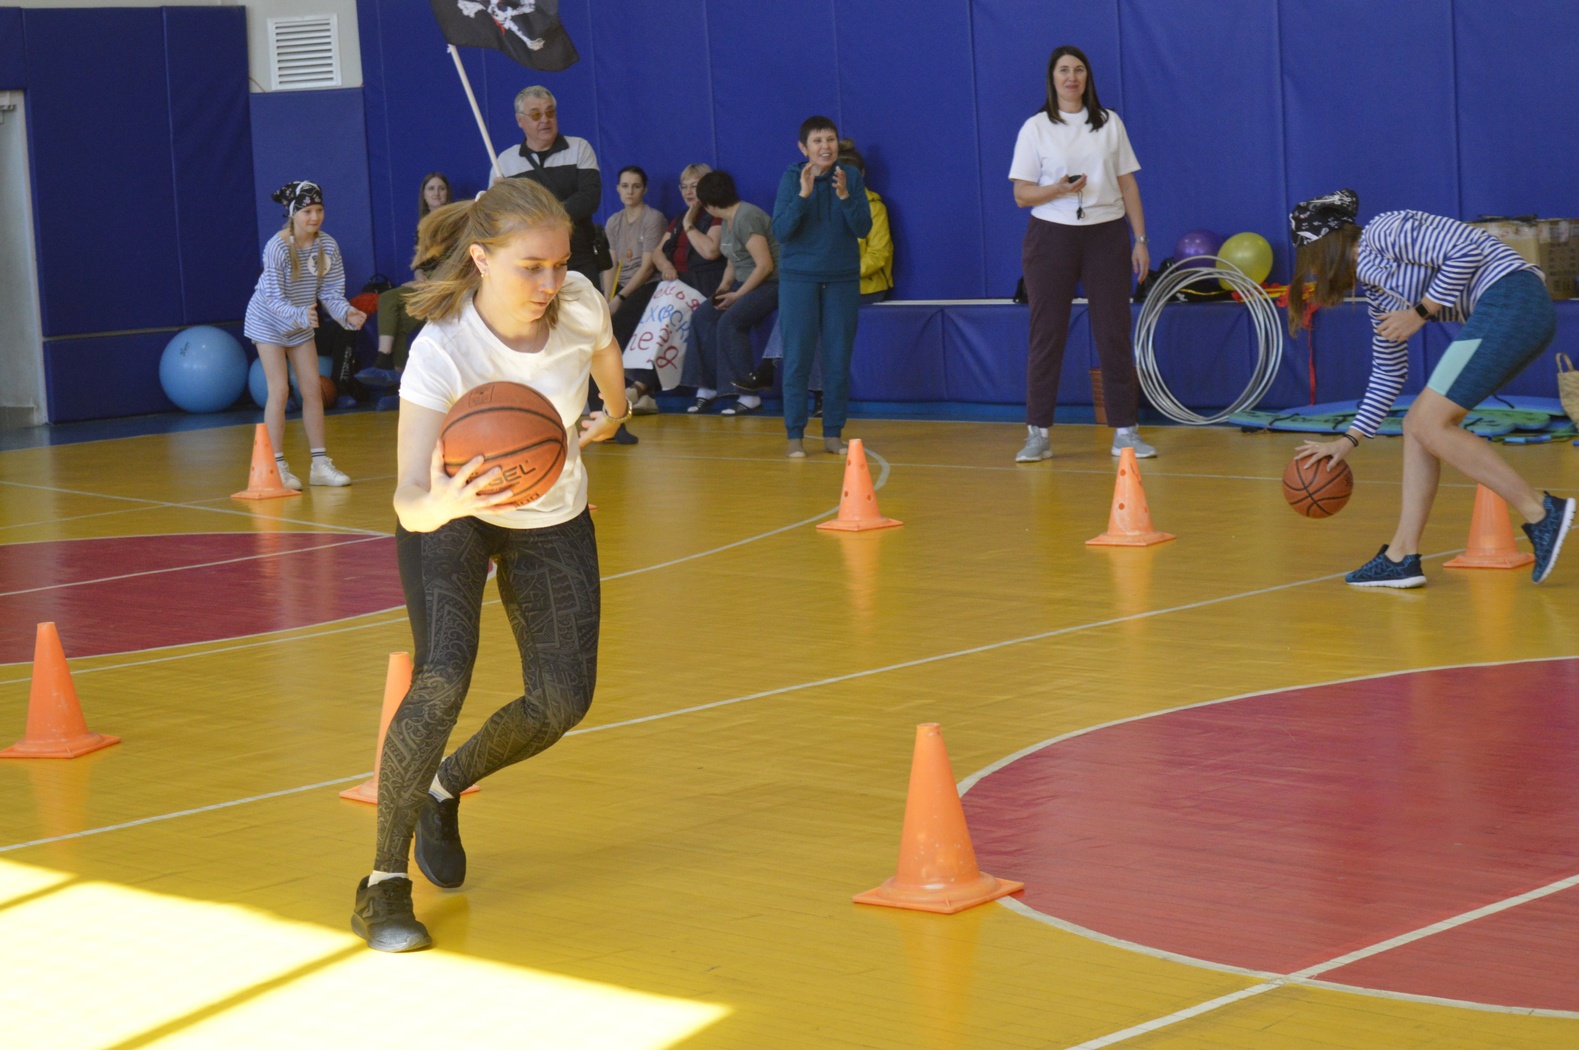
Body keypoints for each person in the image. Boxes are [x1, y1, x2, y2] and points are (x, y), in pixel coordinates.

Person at [350, 177, 631, 953]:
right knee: (442, 676)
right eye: (529, 267)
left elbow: (604, 354)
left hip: (551, 510)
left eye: (559, 264)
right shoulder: (442, 350)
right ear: (480, 258)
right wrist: (439, 505)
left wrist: (617, 407)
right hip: (453, 514)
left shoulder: (576, 301)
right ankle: (382, 885)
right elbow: (408, 493)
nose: (550, 283)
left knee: (561, 702)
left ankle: (445, 787)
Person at [1288, 190, 1575, 587]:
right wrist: (1348, 439)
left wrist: (1420, 312)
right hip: (1505, 312)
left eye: (1310, 263)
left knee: (1427, 421)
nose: (1313, 274)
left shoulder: (1383, 232)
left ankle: (1541, 511)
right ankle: (1401, 556)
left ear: (1324, 248)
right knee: (1417, 426)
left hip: (1513, 298)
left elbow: (1467, 250)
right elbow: (1388, 373)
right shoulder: (1377, 294)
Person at [1009, 44, 1152, 463]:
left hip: (1106, 236)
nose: (1072, 77)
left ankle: (1126, 430)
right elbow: (1021, 194)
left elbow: (1128, 185)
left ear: (1087, 78)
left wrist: (1140, 240)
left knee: (1113, 333)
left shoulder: (1110, 124)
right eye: (1064, 71)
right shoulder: (1035, 128)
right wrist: (1058, 188)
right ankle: (1038, 433)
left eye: (1079, 70)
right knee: (1047, 334)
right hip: (1051, 237)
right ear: (1052, 79)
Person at [242, 180, 365, 488]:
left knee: (312, 389)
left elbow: (331, 291)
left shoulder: (327, 246)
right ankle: (277, 466)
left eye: (319, 210)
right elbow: (273, 298)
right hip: (269, 321)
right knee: (280, 390)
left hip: (300, 323)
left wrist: (346, 312)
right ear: (293, 214)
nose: (315, 217)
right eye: (308, 211)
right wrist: (300, 314)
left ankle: (320, 465)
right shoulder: (277, 247)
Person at [772, 116, 872, 458]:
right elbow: (781, 232)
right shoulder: (791, 177)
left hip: (842, 277)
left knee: (838, 359)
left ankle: (833, 433)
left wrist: (845, 195)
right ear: (804, 148)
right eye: (817, 141)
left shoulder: (852, 176)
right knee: (798, 357)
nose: (825, 146)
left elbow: (862, 228)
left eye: (830, 139)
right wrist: (803, 195)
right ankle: (794, 436)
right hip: (799, 278)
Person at [626, 164, 726, 414]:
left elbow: (710, 251)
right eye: (685, 186)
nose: (689, 191)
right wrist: (666, 265)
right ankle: (640, 389)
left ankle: (640, 387)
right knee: (646, 319)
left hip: (704, 284)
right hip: (675, 284)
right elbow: (659, 252)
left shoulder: (716, 215)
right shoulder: (678, 218)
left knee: (670, 325)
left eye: (696, 186)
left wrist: (691, 224)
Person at [680, 171, 779, 418]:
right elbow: (733, 260)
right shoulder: (727, 220)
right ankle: (708, 386)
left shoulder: (747, 217)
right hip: (745, 283)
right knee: (703, 315)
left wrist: (737, 296)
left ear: (709, 204)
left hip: (772, 283)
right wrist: (724, 287)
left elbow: (765, 266)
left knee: (730, 322)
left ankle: (747, 393)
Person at [358, 175, 460, 398]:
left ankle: (383, 358)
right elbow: (421, 263)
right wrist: (420, 275)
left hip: (447, 284)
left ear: (447, 193)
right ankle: (401, 388)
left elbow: (458, 262)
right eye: (431, 188)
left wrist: (431, 282)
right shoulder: (422, 225)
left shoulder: (455, 222)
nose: (436, 193)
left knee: (387, 298)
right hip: (429, 281)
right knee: (401, 323)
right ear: (424, 195)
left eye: (441, 188)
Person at [491, 86, 602, 288]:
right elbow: (496, 216)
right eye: (535, 114)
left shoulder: (579, 148)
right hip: (529, 262)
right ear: (519, 120)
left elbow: (590, 198)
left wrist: (540, 220)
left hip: (577, 254)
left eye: (550, 112)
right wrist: (499, 199)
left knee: (586, 318)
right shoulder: (504, 162)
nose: (545, 119)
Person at [603, 165, 667, 349]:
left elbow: (647, 268)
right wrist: (607, 297)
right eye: (625, 186)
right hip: (619, 284)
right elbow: (610, 264)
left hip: (645, 284)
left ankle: (624, 376)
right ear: (617, 189)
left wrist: (618, 300)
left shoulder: (653, 218)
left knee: (618, 327)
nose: (629, 191)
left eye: (636, 186)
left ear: (645, 189)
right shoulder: (613, 221)